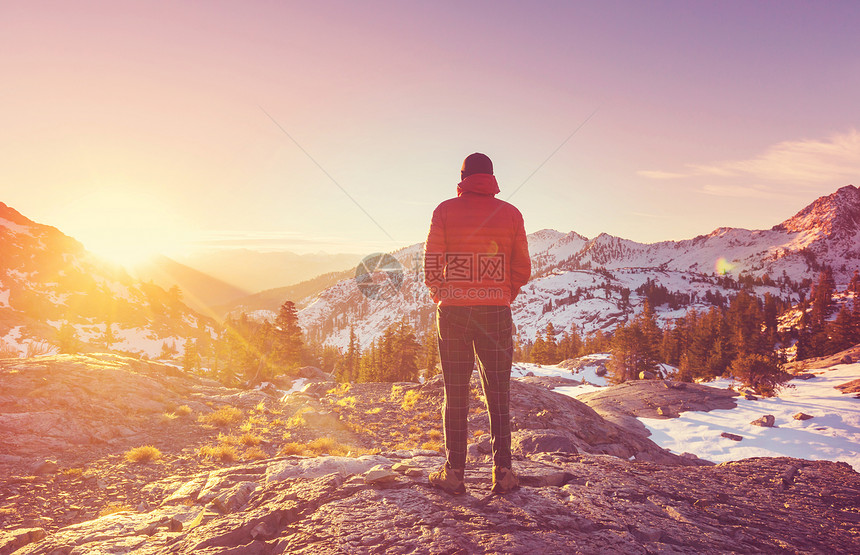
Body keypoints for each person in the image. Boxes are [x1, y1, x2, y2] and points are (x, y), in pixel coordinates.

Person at [423, 152, 531, 495]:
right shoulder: (511, 214)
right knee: (499, 393)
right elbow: (522, 267)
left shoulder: (444, 210)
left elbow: (431, 261)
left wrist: (442, 292)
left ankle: (454, 473)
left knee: (455, 393)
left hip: (452, 311)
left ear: (463, 176)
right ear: (492, 178)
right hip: (495, 311)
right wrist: (503, 293)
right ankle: (504, 472)